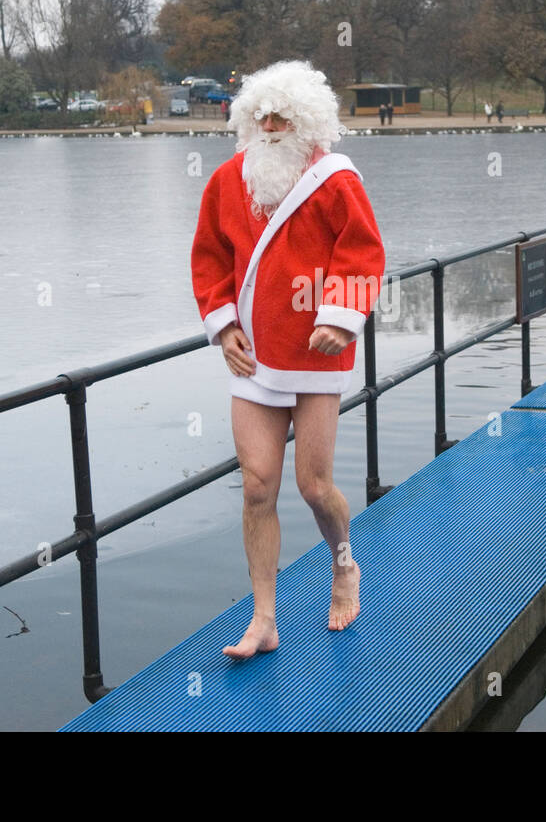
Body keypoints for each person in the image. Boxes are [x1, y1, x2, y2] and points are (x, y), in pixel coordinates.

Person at [190, 59, 386, 658]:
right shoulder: (227, 181)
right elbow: (209, 257)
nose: (270, 126)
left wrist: (340, 316)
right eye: (261, 116)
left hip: (315, 353)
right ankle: (264, 618)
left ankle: (343, 565)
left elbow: (364, 253)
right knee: (256, 488)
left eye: (282, 117)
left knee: (314, 484)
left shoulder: (335, 181)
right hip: (253, 357)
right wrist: (222, 327)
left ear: (307, 122)